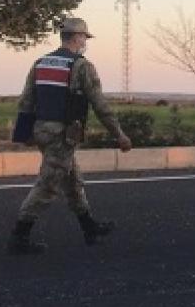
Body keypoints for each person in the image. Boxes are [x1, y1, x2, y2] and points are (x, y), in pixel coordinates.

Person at [9, 17, 132, 255]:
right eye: (84, 37)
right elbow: (100, 105)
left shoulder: (41, 62)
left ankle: (89, 227)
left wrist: (24, 133)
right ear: (77, 37)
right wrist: (120, 135)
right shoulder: (81, 66)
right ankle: (19, 235)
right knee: (48, 185)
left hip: (42, 131)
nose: (85, 42)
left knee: (73, 180)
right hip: (62, 135)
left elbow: (26, 101)